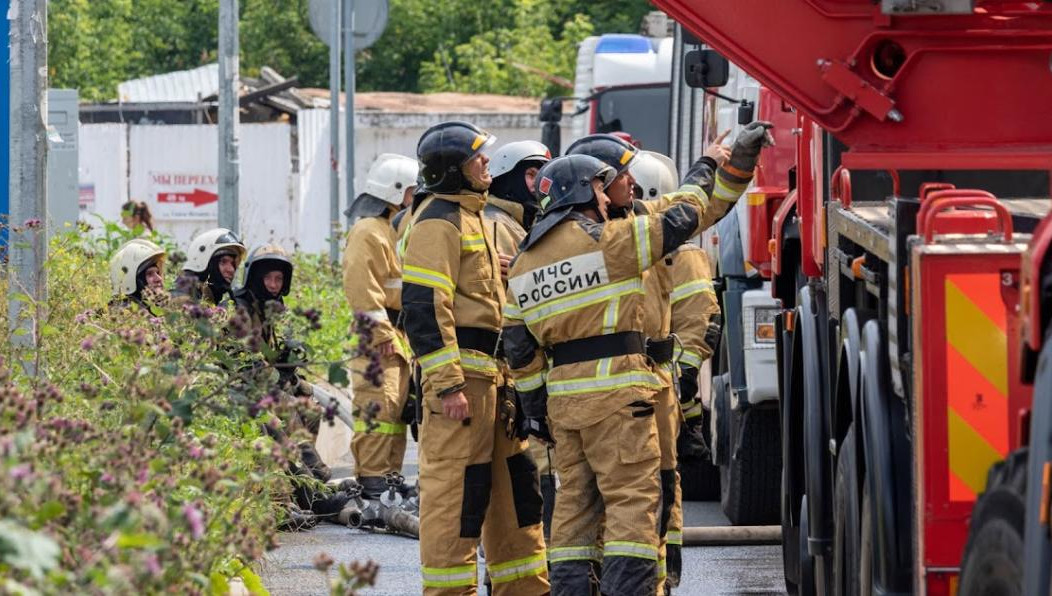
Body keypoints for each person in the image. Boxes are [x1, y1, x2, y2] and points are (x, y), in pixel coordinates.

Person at [504, 121, 771, 596]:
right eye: (601, 191)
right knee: (634, 505)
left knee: (573, 514)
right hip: (620, 398)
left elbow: (519, 347)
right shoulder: (611, 243)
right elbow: (686, 216)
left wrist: (535, 410)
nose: (609, 199)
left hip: (565, 407)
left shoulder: (525, 262)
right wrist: (708, 164)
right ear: (584, 192)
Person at [401, 121, 549, 595]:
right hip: (462, 386)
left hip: (497, 385)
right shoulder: (436, 220)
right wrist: (447, 385)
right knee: (455, 501)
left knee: (518, 496)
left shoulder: (477, 218)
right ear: (452, 170)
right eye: (478, 157)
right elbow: (424, 308)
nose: (487, 163)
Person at [628, 150, 723, 592]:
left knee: (660, 486)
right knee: (651, 488)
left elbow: (697, 329)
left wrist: (684, 397)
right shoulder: (632, 243)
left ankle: (661, 578)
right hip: (651, 387)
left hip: (664, 388)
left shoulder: (682, 257)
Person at [482, 140, 558, 539]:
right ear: (508, 178)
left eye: (541, 173)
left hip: (531, 367)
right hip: (511, 370)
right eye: (530, 174)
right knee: (528, 476)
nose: (538, 182)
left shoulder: (526, 224)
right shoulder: (497, 224)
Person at [341, 153, 419, 500]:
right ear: (397, 191)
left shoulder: (390, 230)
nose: (415, 198)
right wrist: (383, 332)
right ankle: (372, 480)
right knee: (378, 407)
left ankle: (387, 476)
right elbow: (361, 286)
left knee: (395, 410)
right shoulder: (368, 231)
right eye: (412, 191)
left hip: (395, 334)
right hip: (379, 337)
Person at [173, 228, 247, 306]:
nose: (231, 269)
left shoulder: (206, 297)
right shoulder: (182, 302)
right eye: (223, 262)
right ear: (205, 261)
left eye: (233, 264)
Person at [108, 238, 166, 313]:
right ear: (131, 279)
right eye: (149, 274)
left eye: (158, 273)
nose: (159, 279)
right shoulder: (125, 313)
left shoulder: (155, 309)